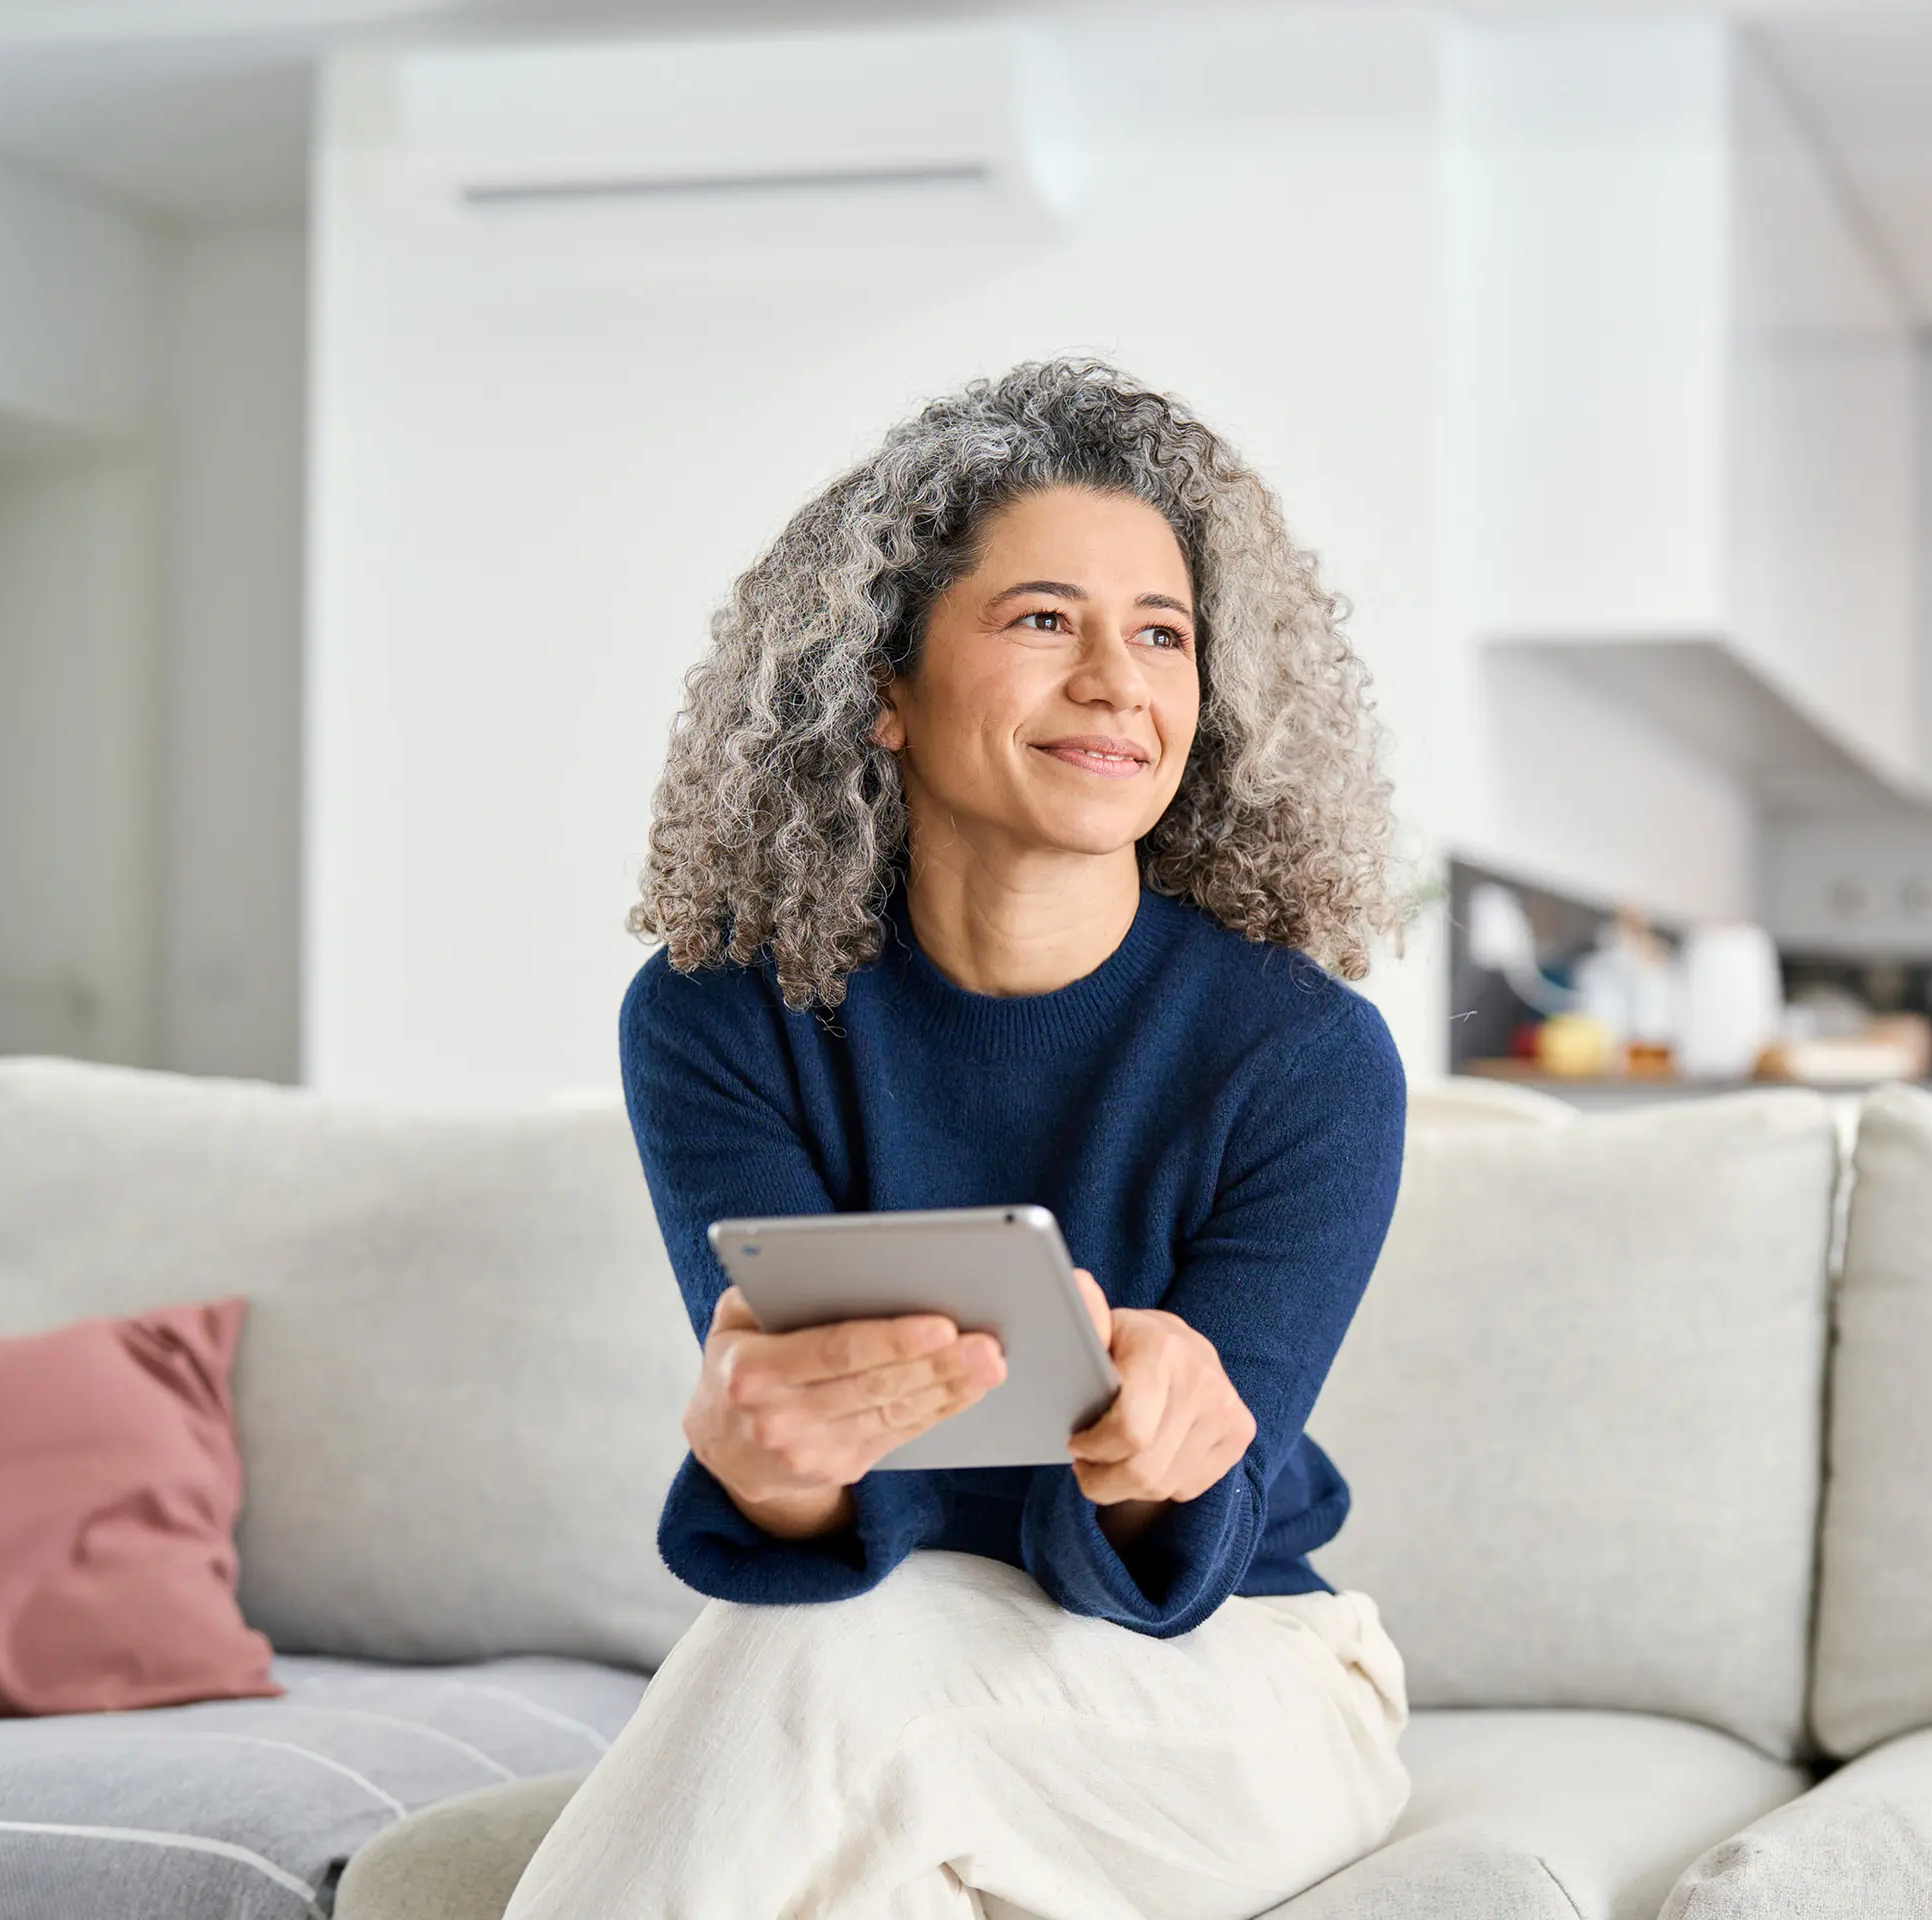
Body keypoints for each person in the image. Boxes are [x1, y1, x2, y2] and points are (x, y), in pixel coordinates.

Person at [507, 359, 1416, 1919]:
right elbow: (840, 1485)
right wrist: (770, 1466)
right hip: (893, 1642)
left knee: (815, 1674)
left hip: (1234, 1681)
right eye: (1045, 619)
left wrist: (1159, 1454)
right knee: (833, 1717)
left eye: (1164, 636)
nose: (1120, 682)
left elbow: (1181, 1558)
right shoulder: (718, 1019)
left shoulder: (1306, 1057)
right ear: (883, 684)